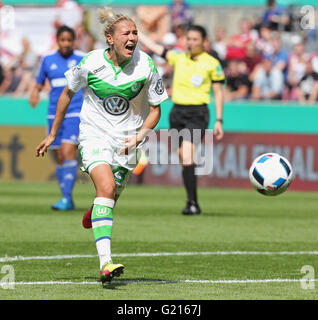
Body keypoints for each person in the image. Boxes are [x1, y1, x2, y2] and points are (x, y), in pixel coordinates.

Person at [35, 7, 168, 283]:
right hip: (94, 134)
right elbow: (66, 94)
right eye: (126, 33)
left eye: (135, 33)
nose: (132, 38)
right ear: (110, 38)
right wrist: (53, 134)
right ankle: (106, 263)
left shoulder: (147, 66)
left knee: (110, 196)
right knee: (106, 187)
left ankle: (94, 213)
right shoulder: (90, 63)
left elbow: (156, 110)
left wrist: (141, 133)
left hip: (128, 139)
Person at [139, 25, 225, 215]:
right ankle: (191, 201)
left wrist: (219, 119)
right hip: (177, 113)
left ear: (204, 41)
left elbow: (218, 93)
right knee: (183, 156)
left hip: (198, 113)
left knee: (186, 155)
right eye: (189, 39)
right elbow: (155, 47)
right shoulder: (178, 57)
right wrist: (137, 32)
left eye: (196, 39)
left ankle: (193, 204)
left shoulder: (212, 63)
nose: (191, 42)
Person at [29, 25, 85, 211]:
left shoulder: (81, 58)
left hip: (75, 111)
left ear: (74, 41)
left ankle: (66, 198)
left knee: (69, 152)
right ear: (57, 41)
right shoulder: (47, 60)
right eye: (63, 40)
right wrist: (35, 93)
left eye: (70, 40)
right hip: (54, 113)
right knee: (59, 156)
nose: (66, 44)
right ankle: (66, 198)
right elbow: (39, 82)